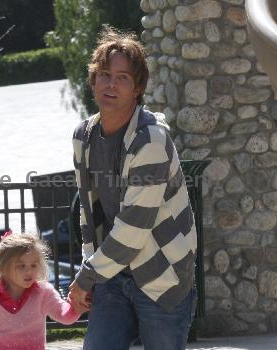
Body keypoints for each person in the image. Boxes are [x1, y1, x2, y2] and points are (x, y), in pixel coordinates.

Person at [69, 26, 197, 350]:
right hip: (113, 274)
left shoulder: (150, 140)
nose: (110, 84)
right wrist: (92, 268)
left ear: (137, 88)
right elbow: (89, 213)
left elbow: (133, 229)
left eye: (122, 77)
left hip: (163, 276)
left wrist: (87, 275)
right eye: (104, 74)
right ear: (93, 79)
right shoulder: (83, 137)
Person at [0, 232, 87, 350]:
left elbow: (64, 315)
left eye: (33, 265)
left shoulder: (43, 292)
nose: (29, 271)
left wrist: (76, 307)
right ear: (4, 268)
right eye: (21, 266)